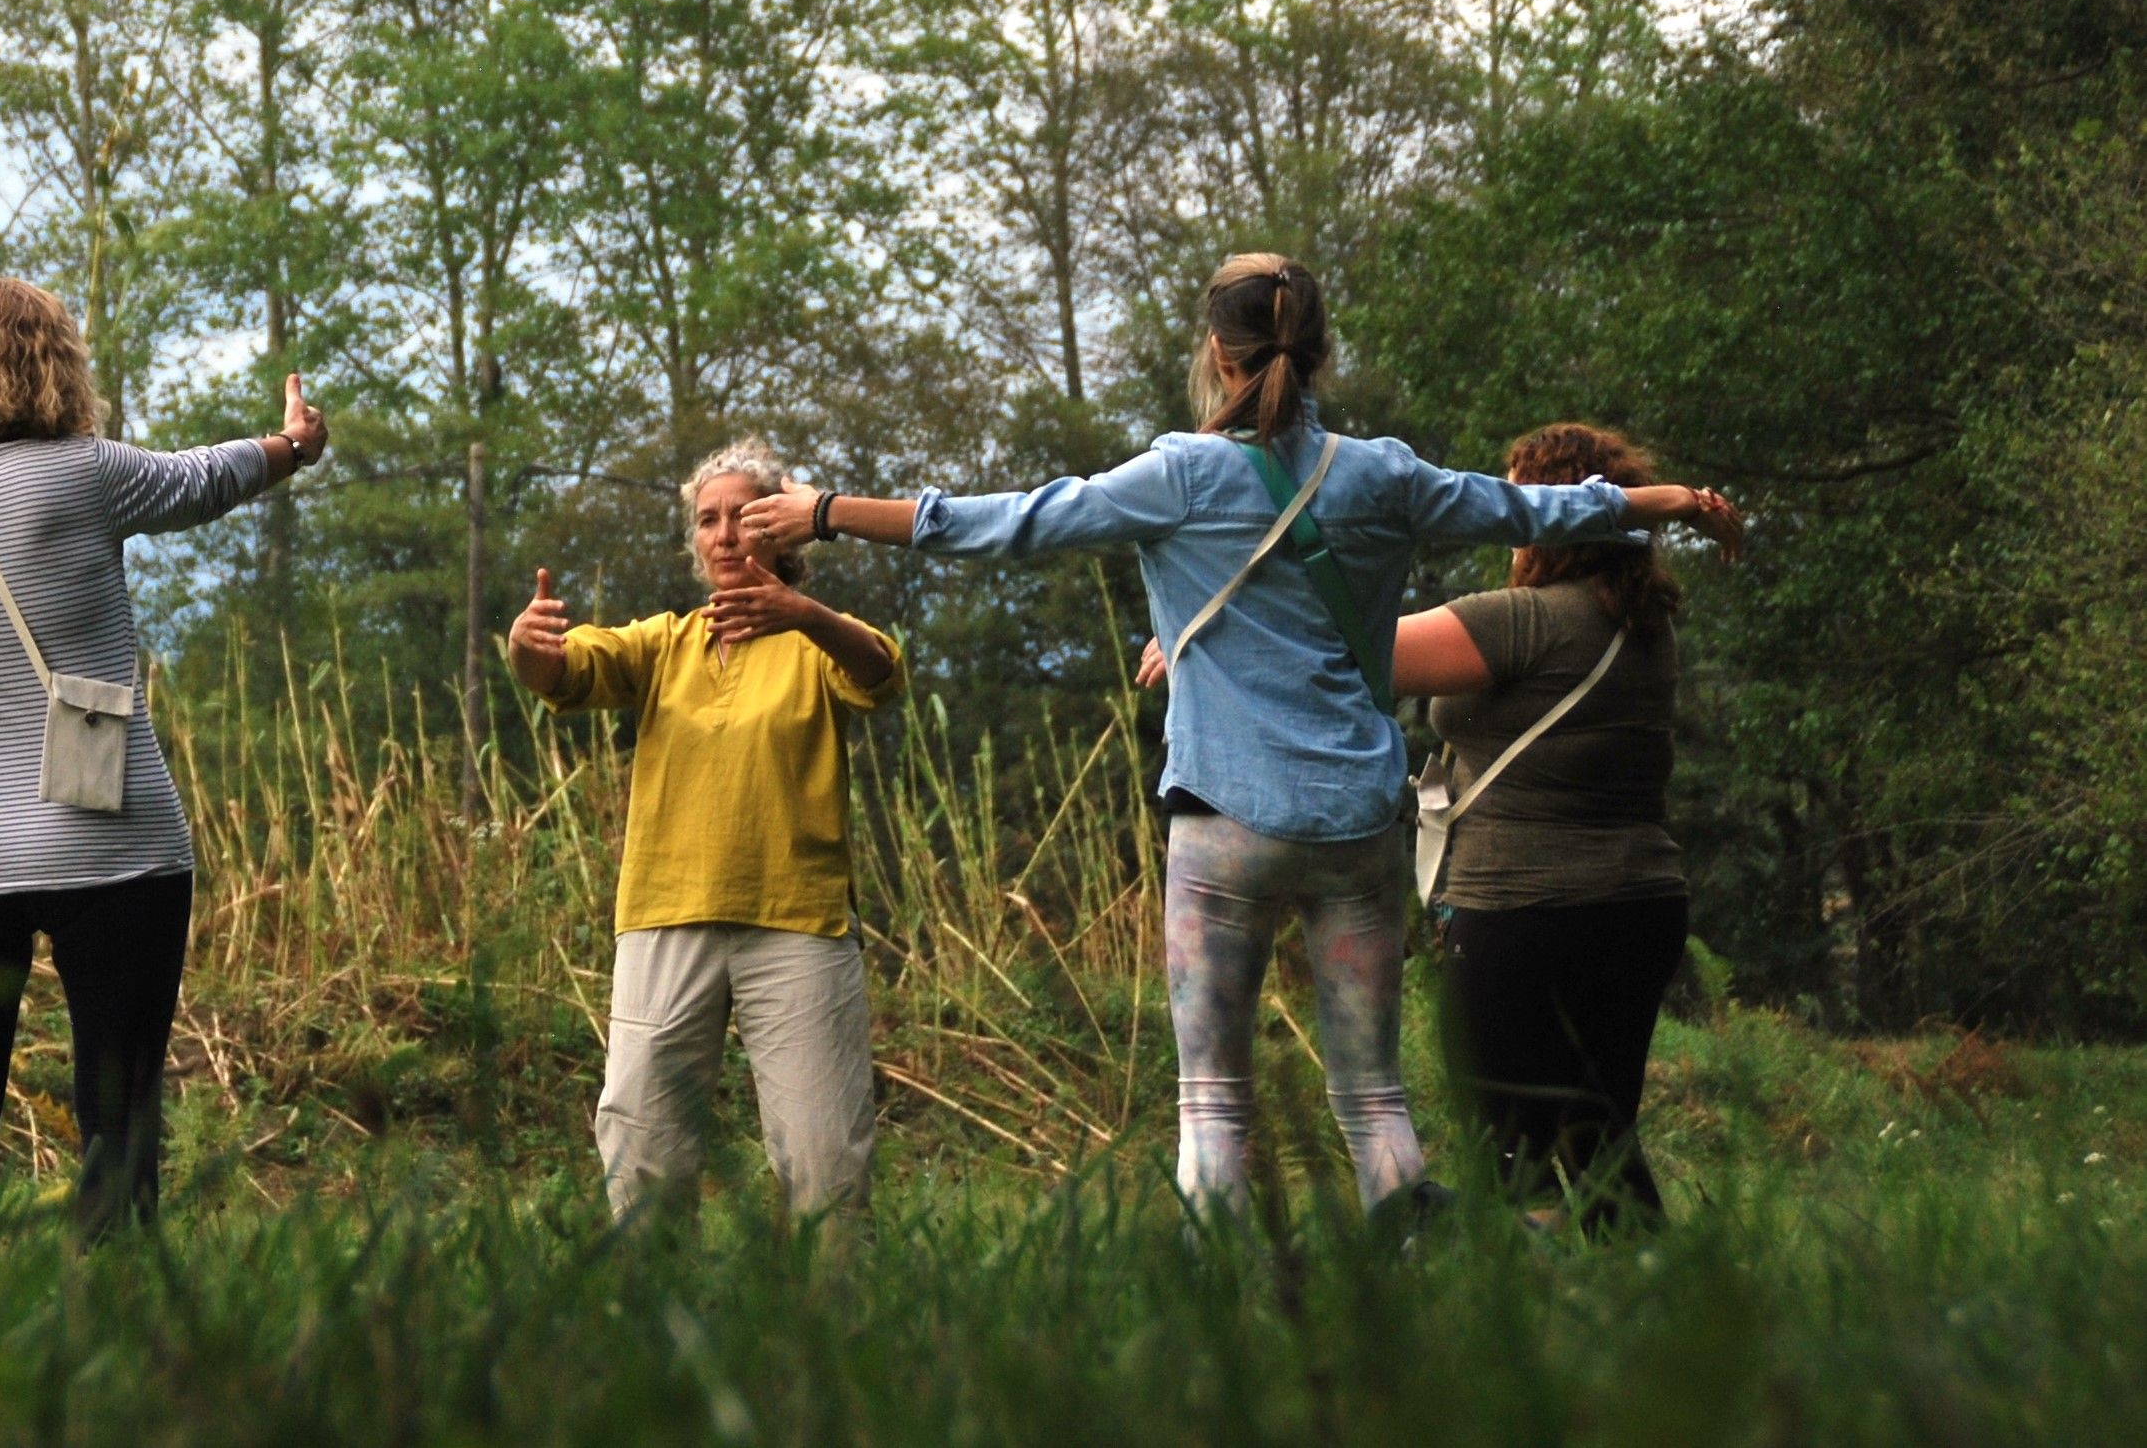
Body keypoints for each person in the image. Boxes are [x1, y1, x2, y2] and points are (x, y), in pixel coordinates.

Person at [740, 253, 1741, 1222]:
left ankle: (1219, 1283)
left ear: (1219, 354)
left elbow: (1007, 522)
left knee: (1213, 1097)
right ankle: (1402, 1254)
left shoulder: (1179, 475)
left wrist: (824, 512)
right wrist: (1657, 503)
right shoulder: (1382, 474)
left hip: (1224, 819)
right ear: (1319, 354)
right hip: (1356, 821)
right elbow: (1524, 507)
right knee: (1373, 1095)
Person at [0, 277, 325, 1250]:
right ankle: (112, 1302)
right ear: (55, 368)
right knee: (119, 1109)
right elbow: (207, 477)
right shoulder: (87, 474)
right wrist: (293, 445)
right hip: (113, 846)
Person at [508, 439, 901, 1228]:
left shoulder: (816, 638)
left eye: (742, 516)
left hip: (797, 920)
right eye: (706, 519)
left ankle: (831, 1307)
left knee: (824, 1157)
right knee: (642, 1148)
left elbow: (879, 672)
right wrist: (529, 649)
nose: (723, 534)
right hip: (666, 915)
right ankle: (657, 1302)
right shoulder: (667, 643)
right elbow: (570, 670)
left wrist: (805, 614)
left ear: (780, 528)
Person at [1387, 421, 1699, 1229]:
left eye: (1517, 501)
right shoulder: (1645, 628)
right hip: (1641, 907)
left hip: (1523, 913)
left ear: (1556, 516)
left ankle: (1545, 1280)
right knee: (1596, 1136)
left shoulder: (1523, 621)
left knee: (1508, 1149)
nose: (1507, 520)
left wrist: (1208, 640)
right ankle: (1642, 1285)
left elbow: (1354, 652)